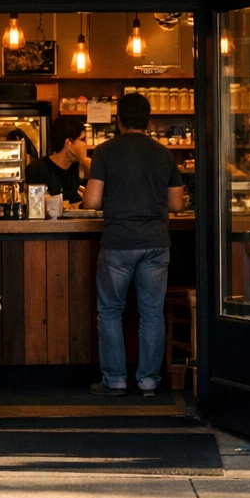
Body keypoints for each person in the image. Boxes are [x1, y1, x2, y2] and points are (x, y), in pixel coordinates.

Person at [80, 92, 184, 398]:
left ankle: (115, 381)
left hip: (118, 243)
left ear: (118, 120)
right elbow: (176, 204)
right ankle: (149, 382)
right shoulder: (163, 153)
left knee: (110, 311)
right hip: (155, 242)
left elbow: (92, 200)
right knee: (152, 313)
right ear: (149, 120)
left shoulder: (105, 151)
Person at [25, 116, 91, 205]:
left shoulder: (82, 169)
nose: (86, 144)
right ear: (68, 142)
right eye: (83, 139)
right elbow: (36, 207)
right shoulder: (36, 170)